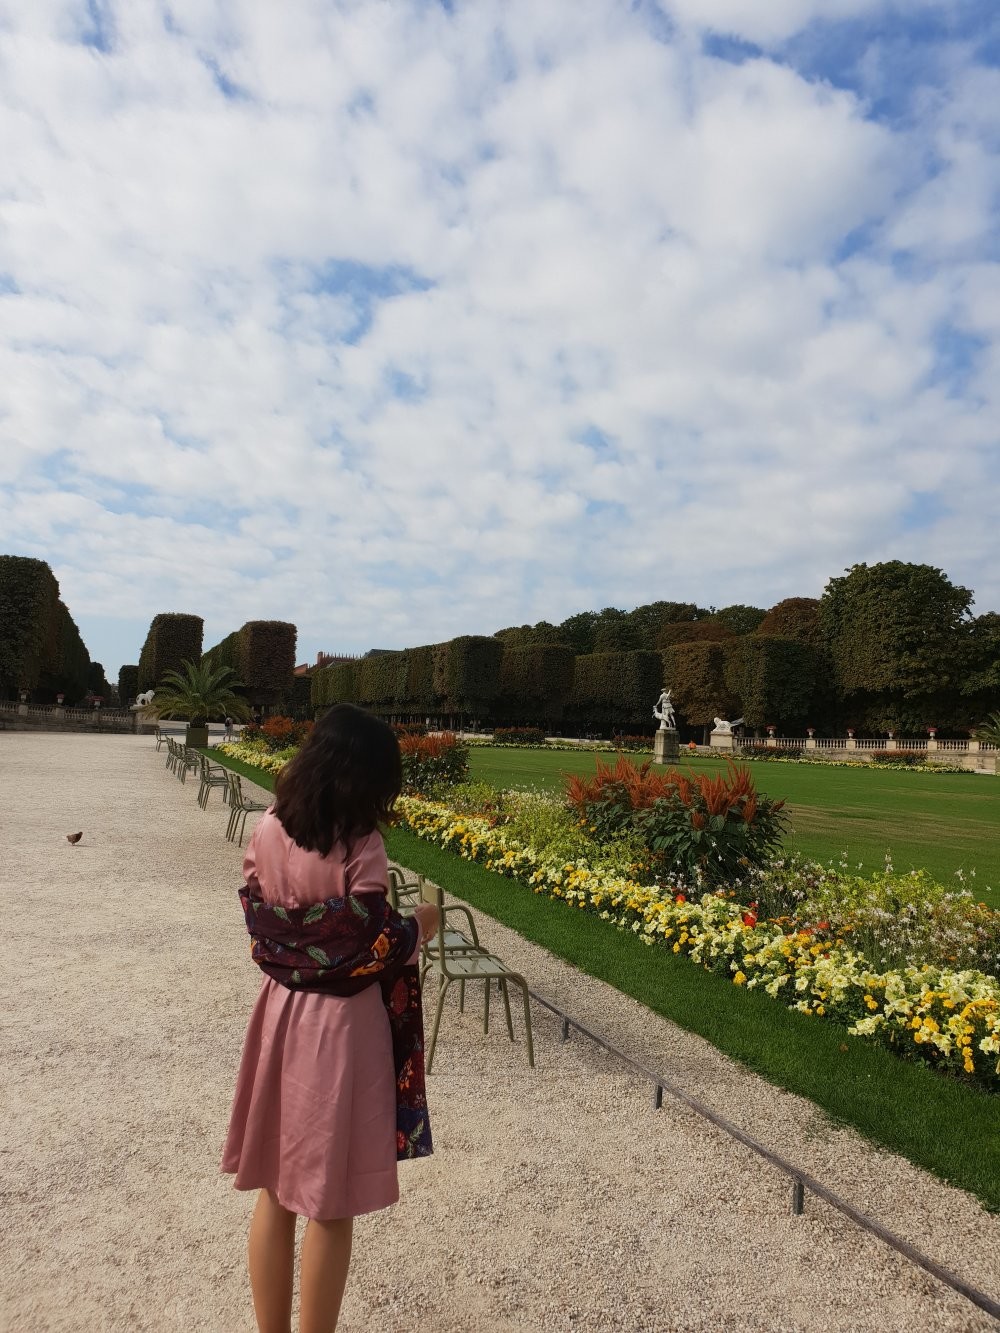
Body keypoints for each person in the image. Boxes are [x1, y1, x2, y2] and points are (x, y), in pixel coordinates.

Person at [221, 704, 440, 1333]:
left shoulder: (266, 827)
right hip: (341, 1028)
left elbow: (262, 920)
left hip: (279, 1011)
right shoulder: (360, 844)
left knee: (274, 1190)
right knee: (329, 1201)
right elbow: (371, 946)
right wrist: (420, 924)